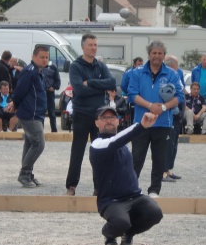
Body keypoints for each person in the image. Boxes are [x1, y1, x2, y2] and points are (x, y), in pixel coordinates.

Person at [89, 106, 163, 245]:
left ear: (118, 121)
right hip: (111, 201)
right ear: (97, 123)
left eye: (112, 117)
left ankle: (128, 233)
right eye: (104, 118)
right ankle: (109, 234)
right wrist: (141, 126)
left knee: (155, 212)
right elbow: (116, 141)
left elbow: (120, 141)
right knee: (121, 222)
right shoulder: (97, 145)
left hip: (134, 196)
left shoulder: (123, 145)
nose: (109, 121)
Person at [127, 40, 183, 198]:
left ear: (164, 55)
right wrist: (150, 106)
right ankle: (130, 189)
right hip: (141, 123)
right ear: (148, 54)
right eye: (154, 53)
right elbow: (132, 94)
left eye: (160, 53)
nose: (157, 56)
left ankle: (154, 190)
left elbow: (179, 96)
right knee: (136, 158)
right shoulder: (137, 72)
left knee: (159, 160)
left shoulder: (172, 74)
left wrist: (163, 107)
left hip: (163, 124)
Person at [65, 33, 116, 196]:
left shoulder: (100, 66)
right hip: (81, 114)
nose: (93, 48)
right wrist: (100, 88)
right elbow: (79, 90)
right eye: (90, 45)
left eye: (95, 45)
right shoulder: (76, 66)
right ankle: (71, 186)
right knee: (77, 152)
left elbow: (112, 83)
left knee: (99, 152)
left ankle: (99, 187)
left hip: (99, 116)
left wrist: (91, 83)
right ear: (83, 47)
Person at [7, 45, 49, 188]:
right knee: (39, 144)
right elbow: (19, 91)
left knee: (31, 143)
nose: (45, 60)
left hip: (37, 113)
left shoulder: (38, 72)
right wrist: (14, 103)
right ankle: (24, 174)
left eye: (46, 57)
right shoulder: (29, 72)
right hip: (30, 114)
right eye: (42, 57)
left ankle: (28, 173)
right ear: (33, 57)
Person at [163, 55, 184, 182]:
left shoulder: (176, 76)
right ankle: (163, 172)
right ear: (172, 66)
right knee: (167, 145)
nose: (178, 68)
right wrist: (174, 109)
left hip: (177, 116)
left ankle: (169, 169)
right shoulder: (167, 78)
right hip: (171, 115)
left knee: (174, 145)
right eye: (177, 65)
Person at [42, 61, 61, 132]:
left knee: (51, 112)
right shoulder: (38, 66)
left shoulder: (53, 67)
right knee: (41, 112)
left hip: (50, 93)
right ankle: (40, 131)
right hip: (41, 93)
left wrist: (53, 87)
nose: (44, 59)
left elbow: (58, 81)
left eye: (46, 57)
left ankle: (54, 130)